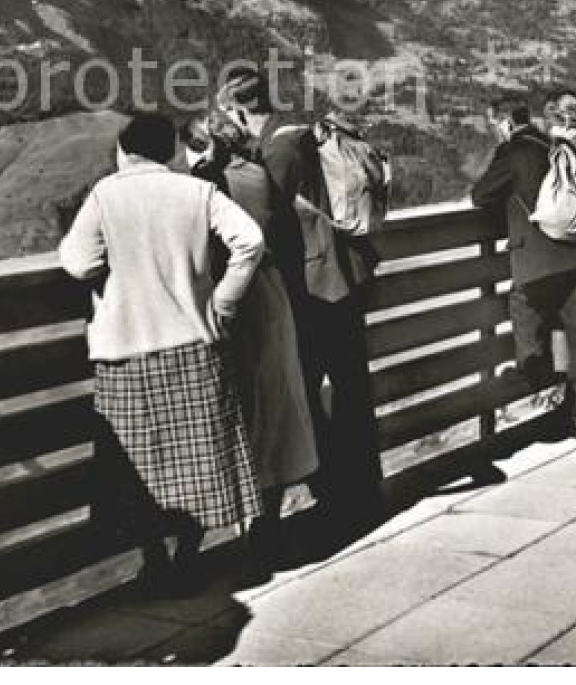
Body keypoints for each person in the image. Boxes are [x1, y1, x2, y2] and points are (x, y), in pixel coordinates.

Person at [58, 113, 267, 588]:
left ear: (122, 150)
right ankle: (188, 551)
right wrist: (223, 303)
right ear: (170, 150)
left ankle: (154, 560)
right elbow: (250, 241)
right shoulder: (197, 192)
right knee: (200, 456)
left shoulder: (105, 195)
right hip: (193, 341)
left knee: (136, 464)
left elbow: (78, 263)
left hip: (125, 348)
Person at [216, 70, 384, 532]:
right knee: (340, 387)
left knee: (314, 391)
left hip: (315, 286)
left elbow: (265, 219)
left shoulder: (278, 149)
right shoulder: (294, 136)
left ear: (238, 109)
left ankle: (342, 496)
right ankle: (352, 492)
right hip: (334, 278)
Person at [184, 115, 319, 563]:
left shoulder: (204, 183)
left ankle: (192, 541)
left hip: (224, 300)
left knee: (216, 412)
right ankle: (266, 527)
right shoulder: (258, 178)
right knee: (273, 408)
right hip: (269, 295)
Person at [471, 92, 576, 437]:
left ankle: (537, 390)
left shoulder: (512, 151)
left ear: (504, 123)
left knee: (526, 318)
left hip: (537, 263)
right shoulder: (556, 145)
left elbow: (481, 195)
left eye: (494, 125)